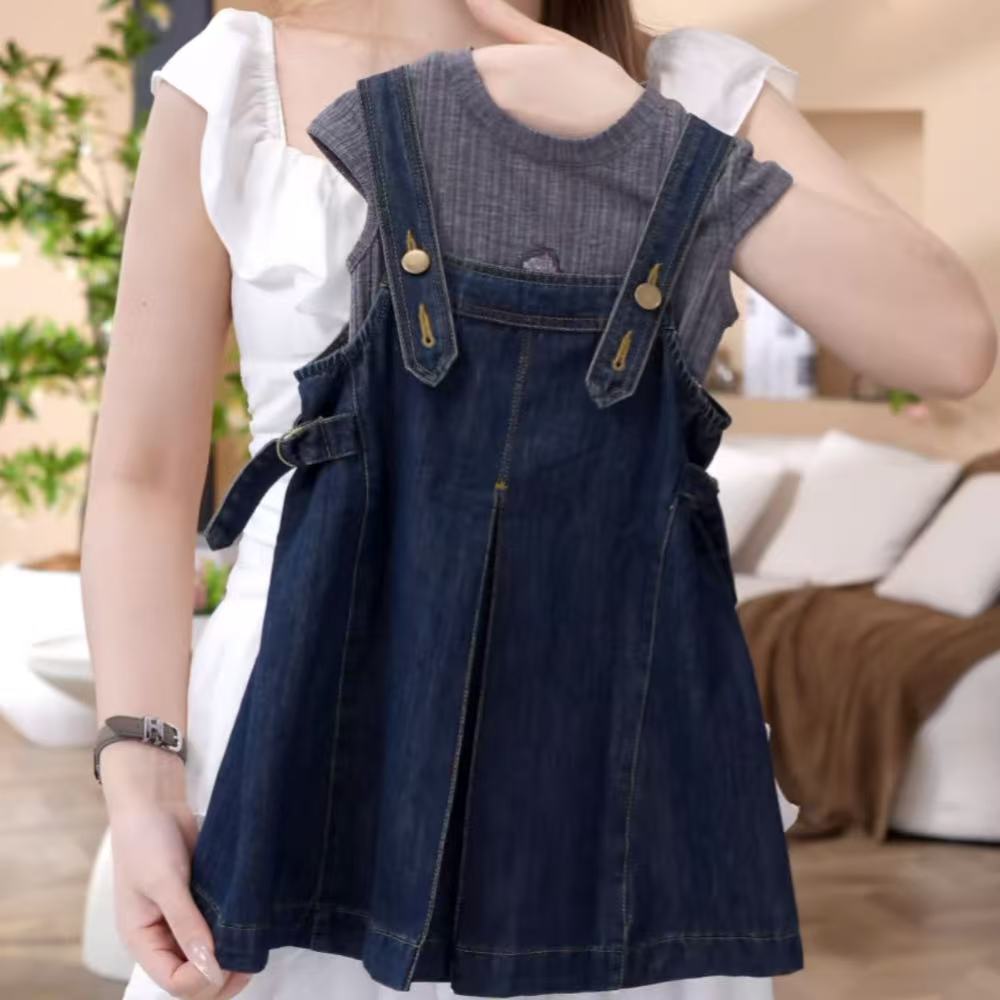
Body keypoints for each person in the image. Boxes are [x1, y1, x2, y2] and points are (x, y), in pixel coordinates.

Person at [80, 2, 997, 1000]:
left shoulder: (688, 89)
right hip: (298, 718)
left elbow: (949, 345)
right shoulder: (240, 78)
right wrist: (140, 776)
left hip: (609, 749)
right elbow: (142, 477)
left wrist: (648, 139)